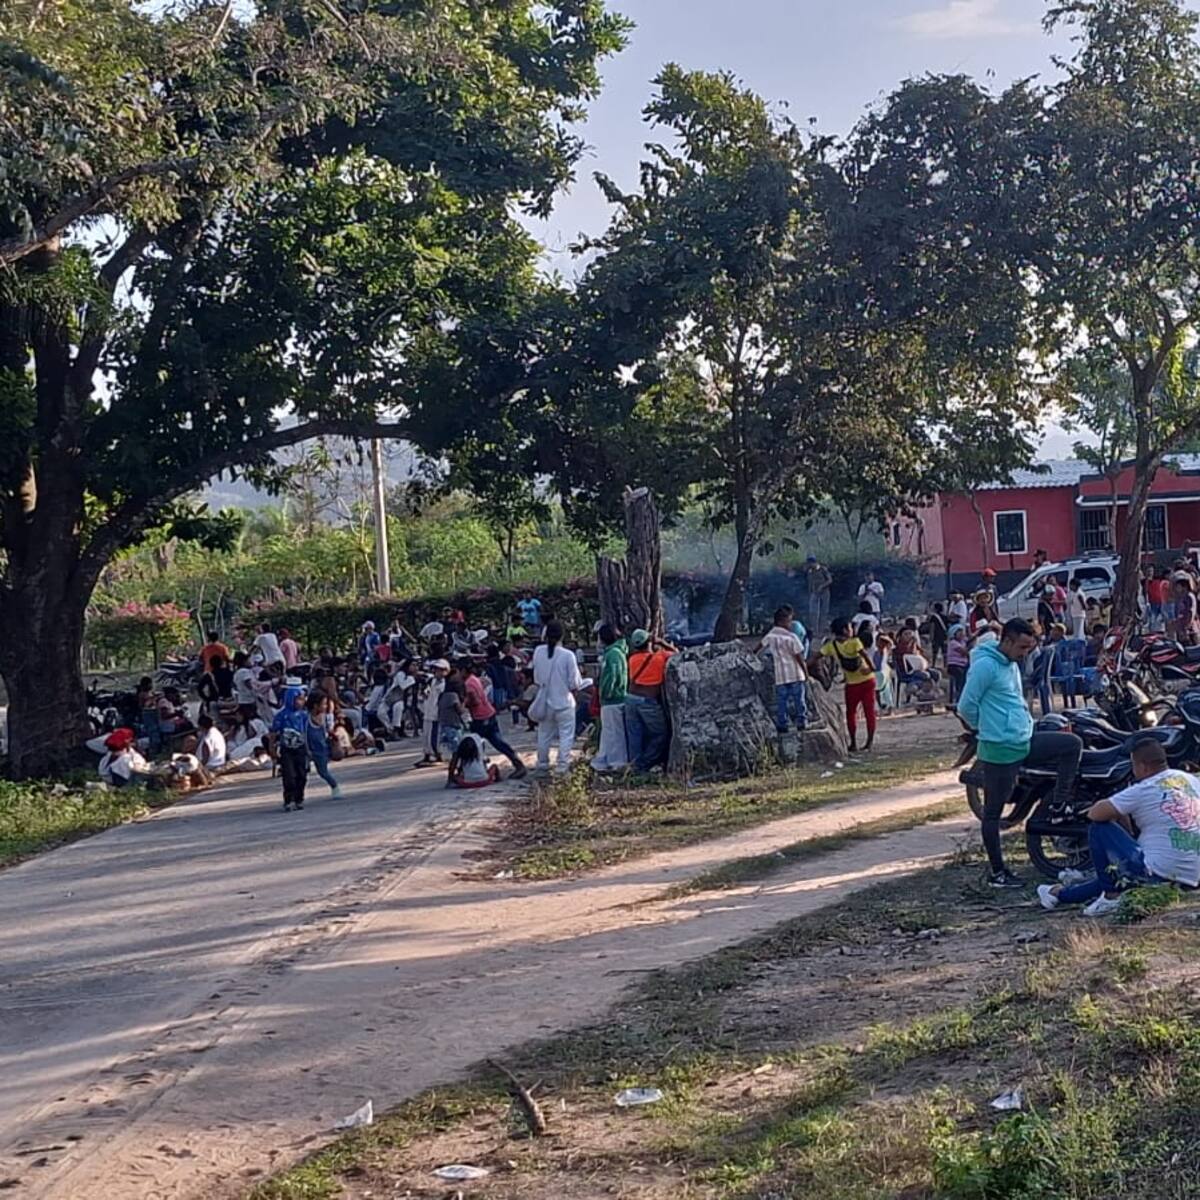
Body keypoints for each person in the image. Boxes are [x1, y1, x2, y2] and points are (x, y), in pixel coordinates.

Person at [957, 617, 1083, 888]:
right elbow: (966, 706)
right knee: (993, 813)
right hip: (1001, 747)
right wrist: (986, 728)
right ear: (1007, 641)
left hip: (1024, 738)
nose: (1025, 653)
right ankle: (998, 873)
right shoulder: (985, 666)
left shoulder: (1010, 664)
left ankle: (1059, 805)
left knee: (1071, 744)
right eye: (1022, 647)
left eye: (1029, 648)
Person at [1038, 738, 1200, 916]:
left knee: (1099, 828)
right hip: (1191, 877)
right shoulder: (1190, 780)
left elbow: (1095, 814)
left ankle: (1111, 896)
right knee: (1115, 878)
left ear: (1143, 766)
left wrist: (1116, 810)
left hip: (1155, 873)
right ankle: (1059, 894)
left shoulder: (1143, 788)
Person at [532, 620, 585, 774]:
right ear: (562, 636)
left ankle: (542, 764)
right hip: (564, 701)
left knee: (544, 734)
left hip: (545, 701)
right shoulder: (568, 655)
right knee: (566, 735)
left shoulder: (538, 652)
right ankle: (562, 765)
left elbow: (536, 678)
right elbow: (575, 683)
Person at [623, 628, 676, 773]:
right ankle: (645, 762)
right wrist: (662, 642)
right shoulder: (660, 657)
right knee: (660, 734)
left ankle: (634, 767)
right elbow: (678, 654)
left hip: (630, 699)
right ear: (649, 642)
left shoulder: (632, 659)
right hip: (647, 701)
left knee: (634, 735)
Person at [820, 618, 878, 752]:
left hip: (852, 684)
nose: (852, 630)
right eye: (850, 627)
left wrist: (803, 668)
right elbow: (865, 656)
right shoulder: (855, 642)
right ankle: (869, 742)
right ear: (845, 630)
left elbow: (816, 657)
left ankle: (853, 743)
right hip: (867, 680)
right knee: (869, 712)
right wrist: (871, 668)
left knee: (851, 713)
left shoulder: (831, 646)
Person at [463, 661, 528, 778]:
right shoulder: (474, 679)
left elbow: (475, 701)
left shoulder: (468, 684)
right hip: (489, 713)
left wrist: (465, 703)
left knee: (474, 744)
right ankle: (518, 764)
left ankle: (474, 769)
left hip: (480, 717)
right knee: (498, 742)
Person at [758, 606, 807, 734]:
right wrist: (806, 672)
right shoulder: (792, 637)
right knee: (799, 700)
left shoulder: (770, 636)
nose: (791, 624)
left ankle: (782, 724)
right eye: (789, 621)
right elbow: (799, 657)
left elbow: (758, 647)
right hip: (796, 674)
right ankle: (801, 722)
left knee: (781, 702)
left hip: (780, 676)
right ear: (782, 621)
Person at [592, 623, 629, 771]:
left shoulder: (613, 654)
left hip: (613, 699)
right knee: (609, 732)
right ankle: (604, 760)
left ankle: (617, 761)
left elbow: (612, 676)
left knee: (614, 732)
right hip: (610, 699)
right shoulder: (613, 652)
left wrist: (605, 693)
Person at [271, 684, 311, 812]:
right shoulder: (281, 716)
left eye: (303, 699)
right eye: (299, 699)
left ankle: (299, 798)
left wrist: (310, 749)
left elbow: (307, 732)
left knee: (302, 775)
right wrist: (272, 749)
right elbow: (273, 734)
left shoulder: (304, 716)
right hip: (287, 750)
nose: (302, 702)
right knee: (289, 776)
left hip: (301, 748)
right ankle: (288, 799)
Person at [306, 691, 342, 799]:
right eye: (324, 704)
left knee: (323, 772)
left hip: (321, 750)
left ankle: (334, 786)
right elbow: (304, 734)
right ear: (315, 705)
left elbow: (328, 730)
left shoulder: (324, 717)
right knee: (301, 772)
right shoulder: (306, 718)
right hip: (308, 749)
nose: (325, 707)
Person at [417, 658, 449, 767]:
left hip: (436, 713)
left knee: (434, 736)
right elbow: (426, 692)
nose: (437, 672)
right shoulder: (432, 681)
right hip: (427, 710)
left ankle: (437, 754)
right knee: (426, 735)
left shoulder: (445, 684)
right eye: (436, 669)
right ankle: (426, 755)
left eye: (440, 670)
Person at [437, 673, 467, 758]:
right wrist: (464, 702)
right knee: (457, 751)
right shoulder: (453, 696)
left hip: (444, 724)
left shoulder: (442, 695)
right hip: (453, 725)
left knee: (451, 750)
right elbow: (460, 711)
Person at [805, 556, 833, 634]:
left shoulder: (823, 570)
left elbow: (830, 580)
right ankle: (815, 630)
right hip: (814, 593)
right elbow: (810, 583)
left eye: (810, 563)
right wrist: (810, 592)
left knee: (824, 611)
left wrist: (822, 586)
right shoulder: (810, 572)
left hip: (824, 593)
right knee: (813, 612)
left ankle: (822, 629)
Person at [946, 625, 970, 706]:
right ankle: (957, 700)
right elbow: (964, 652)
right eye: (959, 632)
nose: (961, 634)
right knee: (959, 681)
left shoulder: (963, 642)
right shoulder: (953, 643)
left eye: (962, 632)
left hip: (963, 665)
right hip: (954, 665)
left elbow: (971, 638)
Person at [927, 602, 948, 669]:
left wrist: (931, 637)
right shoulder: (945, 617)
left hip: (936, 636)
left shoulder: (934, 617)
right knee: (944, 652)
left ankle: (933, 665)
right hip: (944, 636)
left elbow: (932, 627)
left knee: (934, 652)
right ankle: (945, 665)